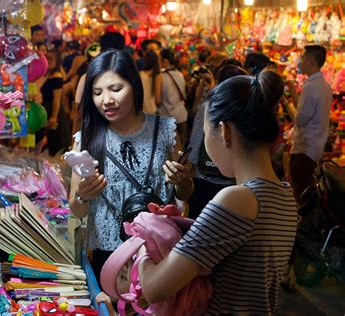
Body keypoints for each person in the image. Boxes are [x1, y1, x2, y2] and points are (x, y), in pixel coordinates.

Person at [137, 71, 298, 314]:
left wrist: (143, 239)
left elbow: (154, 288)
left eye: (205, 134)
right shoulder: (286, 196)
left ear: (224, 131)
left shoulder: (238, 199)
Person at [69, 50, 192, 282]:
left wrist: (183, 183)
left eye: (116, 89)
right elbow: (77, 209)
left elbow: (184, 197)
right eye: (97, 92)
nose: (106, 100)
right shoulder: (86, 139)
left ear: (134, 86)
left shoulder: (165, 131)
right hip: (109, 257)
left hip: (157, 251)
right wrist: (83, 196)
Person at [187, 65, 247, 219]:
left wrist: (190, 165)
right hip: (234, 182)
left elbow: (195, 139)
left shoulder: (208, 107)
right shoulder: (244, 108)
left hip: (204, 179)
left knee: (199, 223)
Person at [286, 45, 332, 205]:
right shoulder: (324, 86)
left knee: (303, 195)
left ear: (312, 62)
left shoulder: (311, 88)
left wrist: (286, 104)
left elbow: (299, 119)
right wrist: (291, 90)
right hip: (315, 146)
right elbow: (304, 112)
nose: (300, 61)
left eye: (303, 58)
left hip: (305, 148)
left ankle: (309, 226)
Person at [37, 50, 71, 156]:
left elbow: (57, 99)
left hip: (53, 110)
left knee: (55, 141)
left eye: (52, 59)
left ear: (57, 62)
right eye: (48, 58)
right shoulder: (45, 75)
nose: (49, 61)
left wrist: (54, 116)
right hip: (45, 110)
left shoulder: (57, 76)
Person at [159, 49, 188, 144]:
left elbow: (157, 100)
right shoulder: (179, 74)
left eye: (159, 60)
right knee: (181, 152)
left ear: (165, 61)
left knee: (169, 152)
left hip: (167, 119)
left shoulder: (160, 77)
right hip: (182, 117)